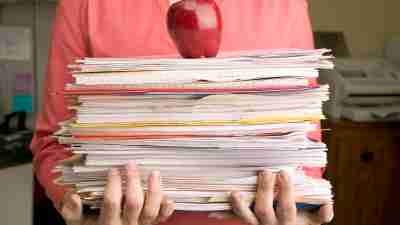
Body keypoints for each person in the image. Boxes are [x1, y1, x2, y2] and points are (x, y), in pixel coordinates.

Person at [31, 1, 334, 225]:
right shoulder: (86, 4)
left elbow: (303, 147)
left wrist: (298, 210)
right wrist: (83, 206)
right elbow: (53, 143)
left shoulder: (284, 4)